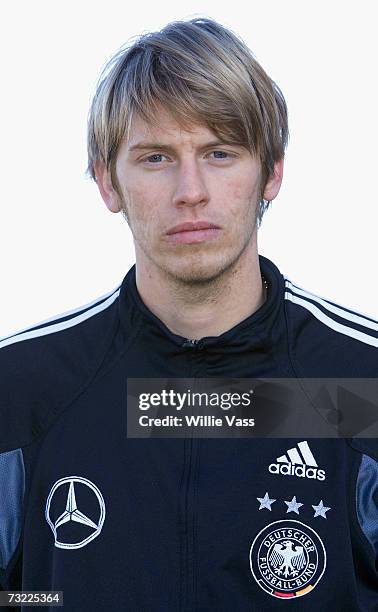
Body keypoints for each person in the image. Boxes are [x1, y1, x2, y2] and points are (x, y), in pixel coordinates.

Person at [0, 16, 377, 611]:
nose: (191, 190)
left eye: (220, 153)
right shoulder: (24, 389)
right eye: (155, 158)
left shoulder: (361, 381)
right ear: (107, 182)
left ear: (271, 171)